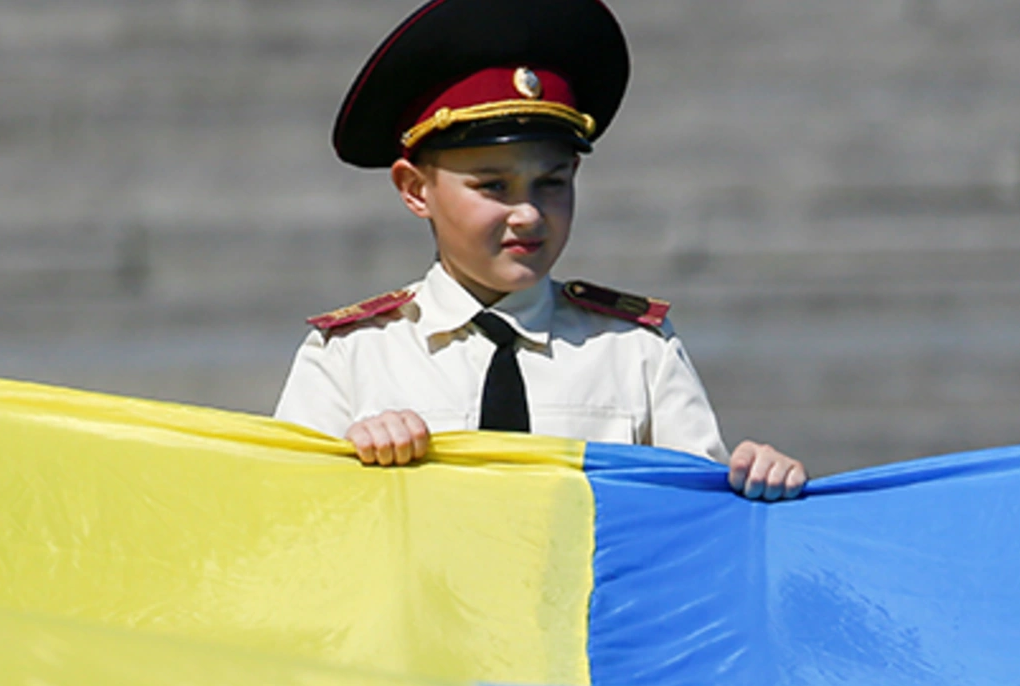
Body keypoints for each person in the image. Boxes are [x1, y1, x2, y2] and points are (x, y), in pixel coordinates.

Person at [273, 0, 807, 501]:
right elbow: (287, 529)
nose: (528, 214)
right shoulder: (351, 356)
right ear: (415, 190)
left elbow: (695, 527)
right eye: (493, 187)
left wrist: (759, 488)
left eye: (551, 183)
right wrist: (348, 465)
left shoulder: (635, 352)